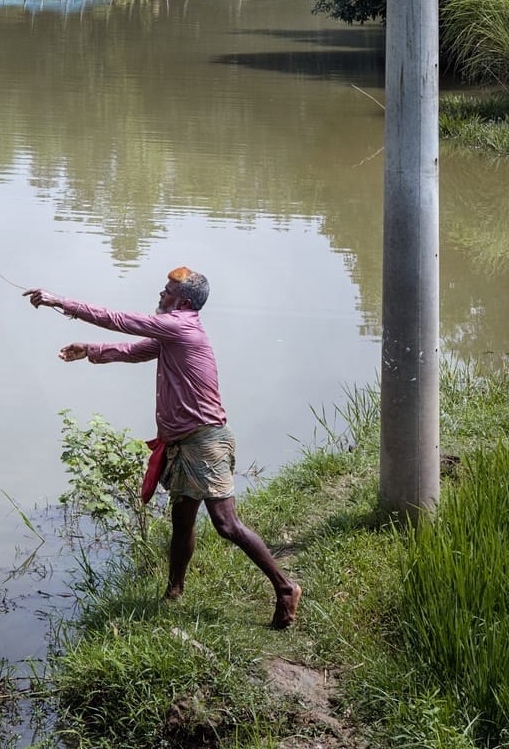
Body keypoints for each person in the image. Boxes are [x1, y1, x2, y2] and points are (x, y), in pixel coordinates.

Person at [25, 268, 302, 629]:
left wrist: (61, 302)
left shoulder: (180, 327)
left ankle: (285, 588)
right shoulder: (172, 335)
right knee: (182, 523)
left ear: (182, 302)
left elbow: (118, 320)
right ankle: (173, 592)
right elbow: (133, 350)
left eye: (167, 291)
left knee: (226, 524)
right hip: (184, 443)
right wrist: (89, 350)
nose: (160, 294)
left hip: (205, 442)